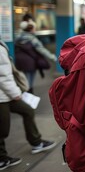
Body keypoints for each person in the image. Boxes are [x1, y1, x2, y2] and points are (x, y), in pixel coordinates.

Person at [0, 39, 57, 170]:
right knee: (2, 128)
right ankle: (2, 158)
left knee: (27, 111)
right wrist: (15, 93)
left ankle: (36, 142)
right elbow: (2, 76)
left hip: (6, 94)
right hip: (4, 96)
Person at [14, 20, 57, 94]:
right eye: (34, 28)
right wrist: (52, 57)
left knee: (22, 79)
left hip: (19, 62)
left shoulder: (17, 37)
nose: (35, 30)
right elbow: (41, 50)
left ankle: (24, 93)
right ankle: (29, 97)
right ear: (30, 29)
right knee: (29, 81)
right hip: (30, 62)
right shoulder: (33, 39)